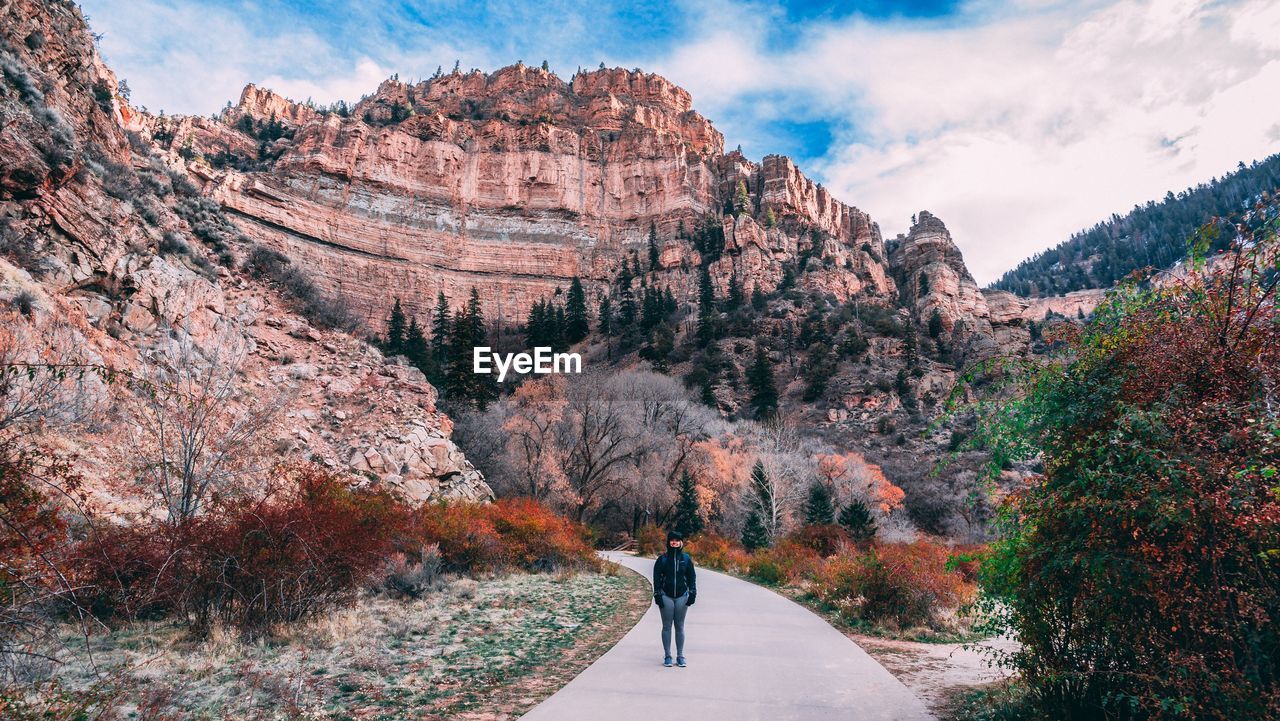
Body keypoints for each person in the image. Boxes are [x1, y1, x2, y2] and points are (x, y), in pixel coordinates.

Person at [652, 529, 696, 667]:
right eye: (672, 540)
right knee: (666, 626)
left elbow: (691, 577)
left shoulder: (686, 559)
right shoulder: (662, 559)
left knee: (680, 626)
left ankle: (680, 656)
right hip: (666, 596)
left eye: (677, 540)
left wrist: (693, 593)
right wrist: (657, 594)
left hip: (682, 596)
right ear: (668, 542)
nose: (674, 542)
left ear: (681, 542)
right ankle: (667, 656)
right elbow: (656, 578)